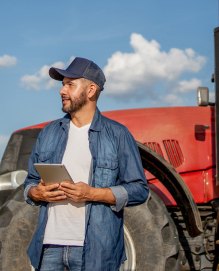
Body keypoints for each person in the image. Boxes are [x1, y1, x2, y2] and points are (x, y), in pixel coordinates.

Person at [23, 57, 149, 271]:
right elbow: (29, 184)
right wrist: (37, 193)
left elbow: (139, 190)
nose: (62, 91)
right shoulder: (49, 133)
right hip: (50, 249)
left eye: (70, 84)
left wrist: (92, 194)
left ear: (91, 90)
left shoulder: (118, 135)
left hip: (96, 252)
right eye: (62, 84)